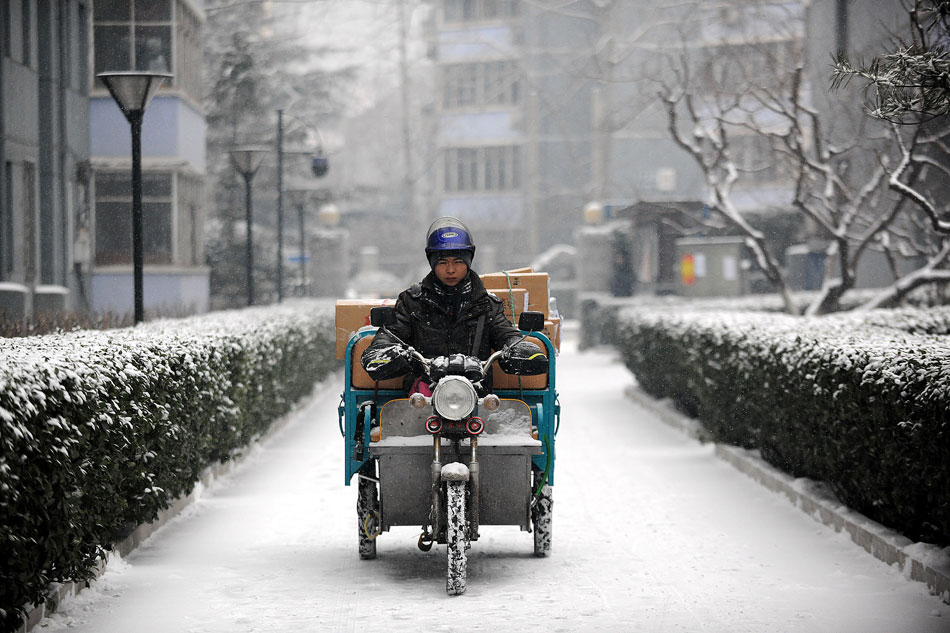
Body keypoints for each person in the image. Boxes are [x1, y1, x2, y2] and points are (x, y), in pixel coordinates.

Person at [361, 216, 544, 393]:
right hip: (423, 395)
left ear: (468, 262)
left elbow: (505, 333)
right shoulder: (412, 302)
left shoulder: (487, 304)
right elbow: (392, 333)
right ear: (432, 264)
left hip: (477, 395)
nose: (450, 269)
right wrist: (383, 350)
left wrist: (518, 347)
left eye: (458, 262)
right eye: (442, 262)